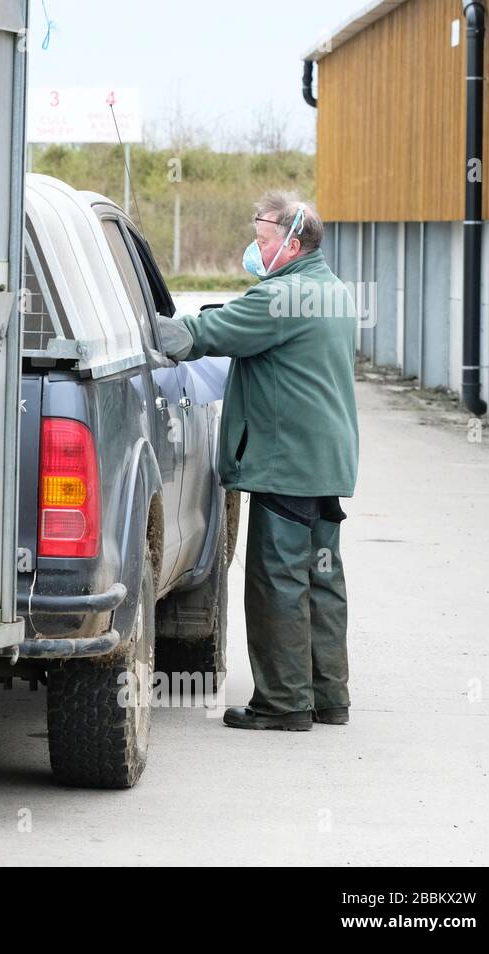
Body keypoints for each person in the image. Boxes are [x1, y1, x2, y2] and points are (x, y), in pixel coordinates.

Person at [156, 192, 360, 731]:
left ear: (292, 243)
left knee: (277, 579)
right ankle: (327, 695)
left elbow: (201, 335)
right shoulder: (330, 290)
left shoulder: (282, 296)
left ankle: (283, 703)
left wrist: (148, 329)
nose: (255, 246)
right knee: (320, 577)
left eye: (264, 238)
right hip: (323, 459)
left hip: (285, 458)